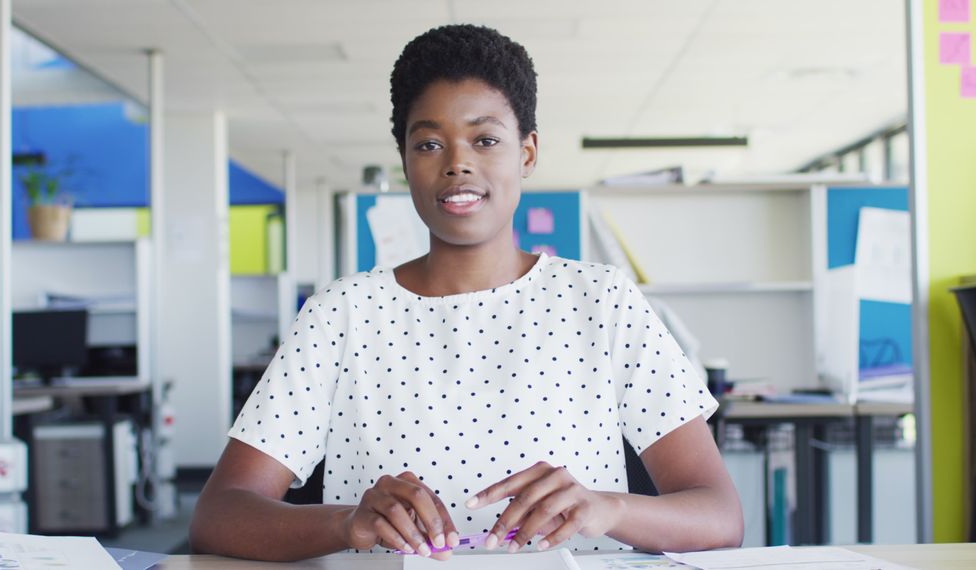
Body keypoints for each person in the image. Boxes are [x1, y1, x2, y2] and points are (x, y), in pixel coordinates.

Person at [189, 24, 743, 562]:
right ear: (405, 161)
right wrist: (345, 521)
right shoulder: (343, 313)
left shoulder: (602, 301)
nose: (457, 162)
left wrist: (608, 509)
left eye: (485, 139)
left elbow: (720, 516)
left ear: (526, 153)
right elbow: (218, 516)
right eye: (429, 143)